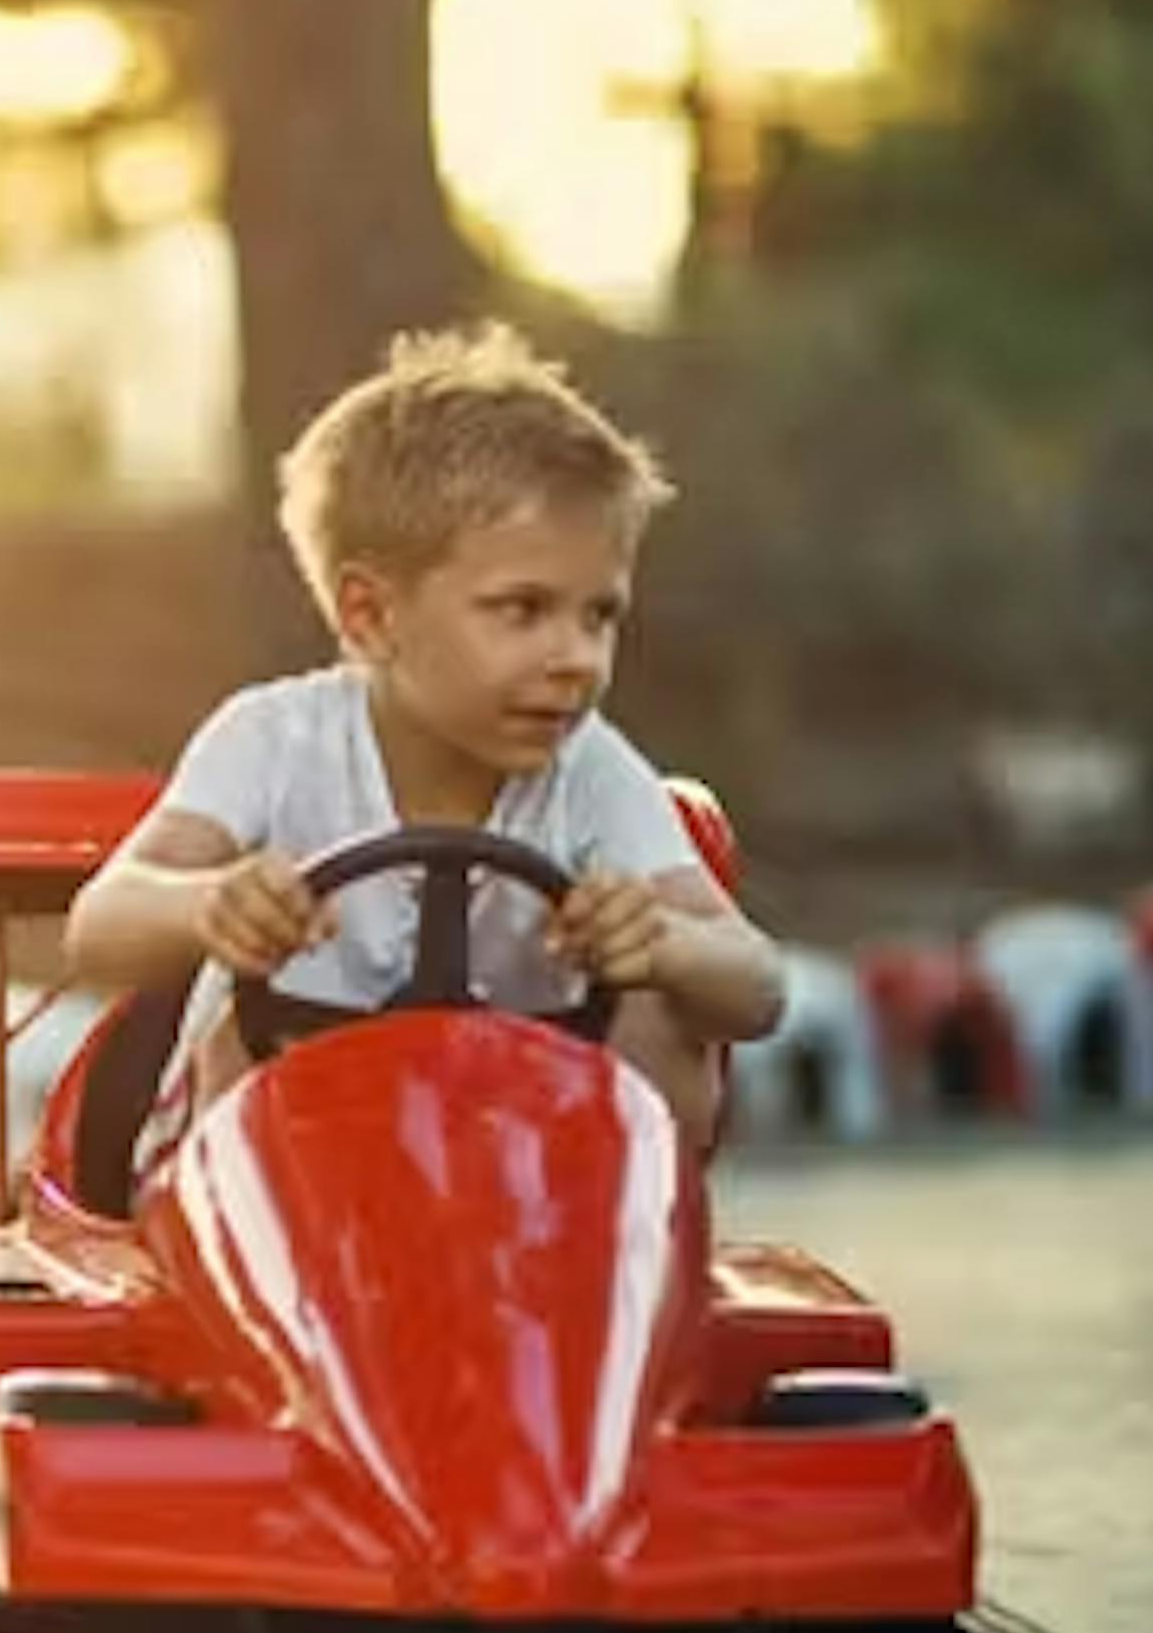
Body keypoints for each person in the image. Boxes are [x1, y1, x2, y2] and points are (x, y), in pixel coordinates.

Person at [61, 320, 785, 1154]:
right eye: (523, 610)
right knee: (232, 1021)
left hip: (509, 1184)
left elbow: (758, 985)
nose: (577, 660)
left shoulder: (592, 770)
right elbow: (99, 927)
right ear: (370, 616)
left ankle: (634, 1254)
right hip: (282, 1184)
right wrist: (206, 903)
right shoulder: (272, 740)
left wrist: (664, 943)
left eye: (600, 616)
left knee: (666, 1015)